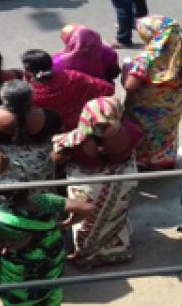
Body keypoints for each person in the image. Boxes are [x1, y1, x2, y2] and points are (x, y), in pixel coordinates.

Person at [0, 187, 93, 306]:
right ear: (28, 191)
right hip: (51, 264)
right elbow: (87, 208)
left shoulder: (2, 218)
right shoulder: (46, 200)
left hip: (20, 275)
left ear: (2, 197)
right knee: (51, 294)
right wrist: (64, 225)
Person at [52, 96, 142, 269]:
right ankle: (117, 251)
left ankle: (87, 255)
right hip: (122, 184)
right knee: (114, 217)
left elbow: (56, 158)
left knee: (86, 223)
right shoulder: (130, 131)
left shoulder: (77, 140)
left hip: (90, 190)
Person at [121, 16, 182, 171]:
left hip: (145, 111)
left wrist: (126, 68)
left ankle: (143, 164)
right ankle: (164, 161)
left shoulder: (146, 58)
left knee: (145, 137)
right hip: (172, 107)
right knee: (166, 134)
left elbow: (129, 86)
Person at [20, 49, 113, 132]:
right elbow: (107, 88)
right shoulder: (72, 76)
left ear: (27, 71)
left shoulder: (31, 94)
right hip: (81, 126)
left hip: (55, 132)